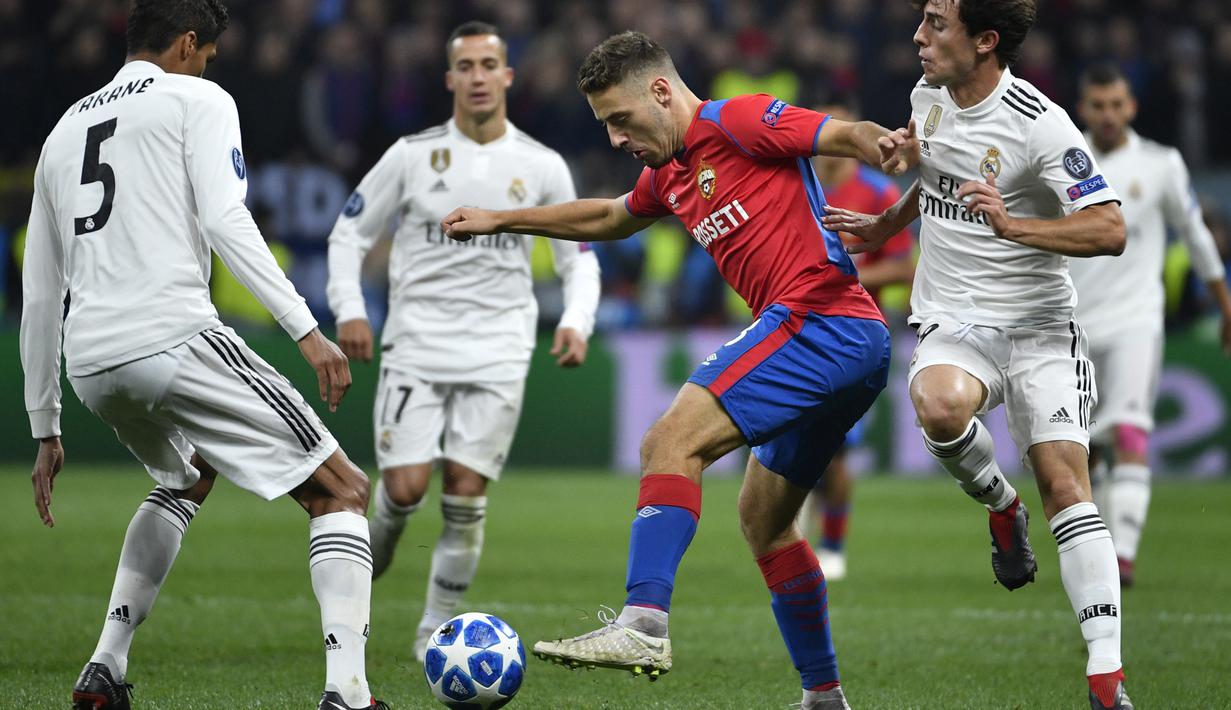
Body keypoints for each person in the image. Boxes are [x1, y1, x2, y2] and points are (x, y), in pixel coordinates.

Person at [442, 30, 917, 710]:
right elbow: (609, 216)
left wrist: (885, 145)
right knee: (763, 521)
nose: (614, 139)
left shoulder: (739, 119)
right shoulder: (667, 171)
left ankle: (643, 623)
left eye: (619, 121)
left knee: (668, 442)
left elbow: (842, 136)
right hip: (838, 342)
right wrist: (502, 219)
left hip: (822, 318)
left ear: (660, 92)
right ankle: (823, 697)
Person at [19, 3, 384, 709]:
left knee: (188, 474)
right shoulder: (198, 97)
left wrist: (45, 425)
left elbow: (40, 290)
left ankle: (105, 665)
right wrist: (306, 328)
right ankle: (349, 693)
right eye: (208, 52)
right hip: (173, 335)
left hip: (91, 362)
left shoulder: (63, 131)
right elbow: (225, 217)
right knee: (341, 491)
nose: (210, 63)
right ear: (188, 43)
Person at [822, 2, 1131, 708]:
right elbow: (931, 181)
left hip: (1040, 328)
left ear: (984, 41)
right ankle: (999, 506)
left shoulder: (1039, 123)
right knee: (937, 407)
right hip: (953, 320)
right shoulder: (923, 99)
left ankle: (1106, 680)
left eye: (936, 24)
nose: (917, 37)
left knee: (1066, 488)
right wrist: (883, 223)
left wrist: (1011, 224)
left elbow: (1108, 228)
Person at [325, 21, 600, 660]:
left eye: (489, 65)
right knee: (403, 489)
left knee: (466, 493)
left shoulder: (540, 165)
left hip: (500, 347)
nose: (478, 77)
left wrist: (574, 321)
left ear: (507, 76)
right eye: (466, 66)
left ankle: (432, 633)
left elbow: (580, 256)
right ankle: (383, 543)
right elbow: (350, 234)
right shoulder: (411, 155)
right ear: (450, 79)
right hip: (417, 342)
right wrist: (350, 310)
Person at [1070, 62, 1231, 587]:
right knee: (1078, 448)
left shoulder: (1162, 164)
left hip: (1137, 319)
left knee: (1131, 432)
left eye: (1117, 105)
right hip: (1069, 324)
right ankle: (1098, 546)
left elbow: (1196, 234)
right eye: (1099, 106)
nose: (1109, 115)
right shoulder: (1062, 161)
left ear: (1131, 107)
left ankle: (1124, 558)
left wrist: (1224, 302)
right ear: (1084, 109)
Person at [800, 97, 916, 581]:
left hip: (854, 331)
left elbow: (905, 265)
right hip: (797, 328)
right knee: (794, 439)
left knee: (840, 448)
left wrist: (847, 277)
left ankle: (832, 547)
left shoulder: (877, 190)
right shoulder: (794, 183)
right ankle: (794, 543)